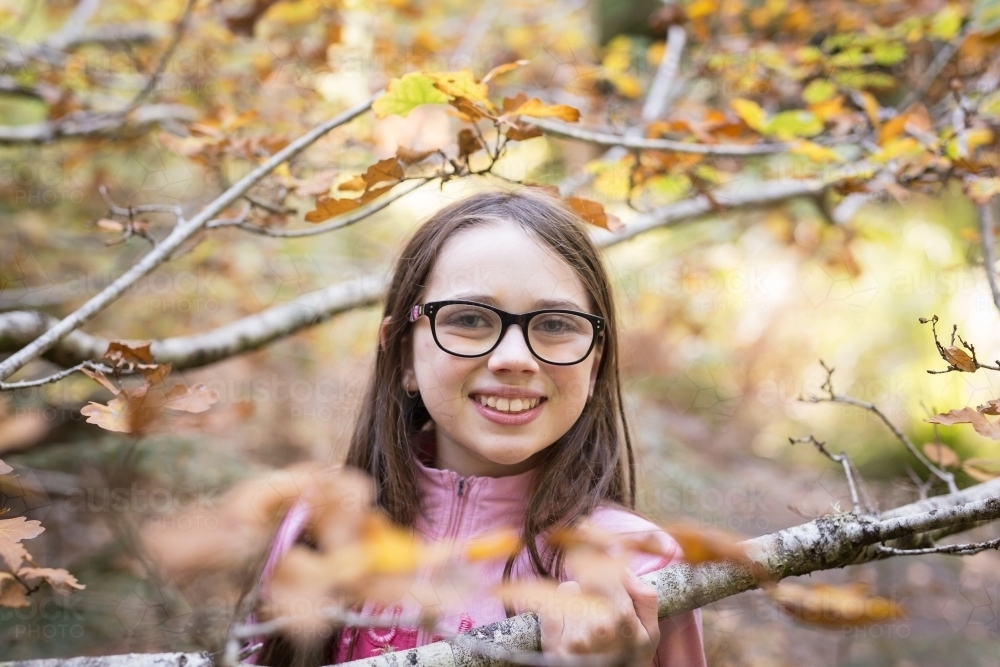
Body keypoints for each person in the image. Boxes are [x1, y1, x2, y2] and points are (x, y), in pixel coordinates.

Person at [241, 187, 707, 667]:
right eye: (469, 318)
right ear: (402, 351)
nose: (514, 359)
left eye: (555, 324)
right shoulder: (319, 525)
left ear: (594, 365)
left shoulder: (636, 566)